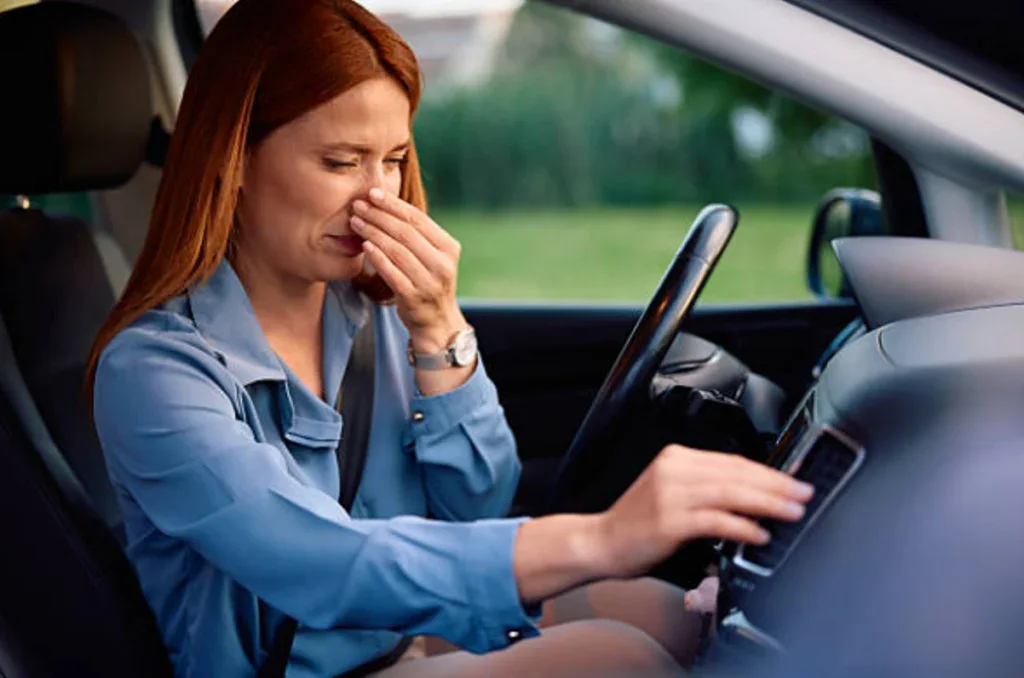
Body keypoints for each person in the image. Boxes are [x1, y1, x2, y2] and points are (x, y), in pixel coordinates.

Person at [86, 1, 813, 676]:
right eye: (341, 162)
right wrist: (601, 536)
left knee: (671, 616)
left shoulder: (371, 311)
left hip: (402, 634)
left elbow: (477, 506)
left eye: (394, 159)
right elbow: (323, 565)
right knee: (616, 657)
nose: (380, 196)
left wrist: (439, 327)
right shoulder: (154, 372)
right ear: (235, 160)